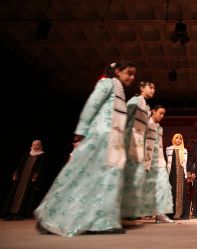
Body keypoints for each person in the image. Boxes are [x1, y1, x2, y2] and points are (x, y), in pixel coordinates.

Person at [34, 61, 136, 237]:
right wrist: (81, 130)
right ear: (118, 71)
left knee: (107, 180)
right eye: (129, 73)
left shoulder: (119, 89)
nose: (132, 77)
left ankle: (103, 221)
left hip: (113, 140)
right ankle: (49, 216)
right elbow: (93, 103)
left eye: (134, 74)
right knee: (83, 176)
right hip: (101, 136)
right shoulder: (107, 83)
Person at [121, 81, 155, 226]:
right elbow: (125, 119)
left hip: (140, 142)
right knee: (128, 175)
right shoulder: (135, 101)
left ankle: (129, 213)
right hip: (131, 139)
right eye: (151, 87)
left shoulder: (146, 106)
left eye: (154, 88)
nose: (153, 90)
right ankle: (123, 213)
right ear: (141, 88)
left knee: (136, 177)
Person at [141, 105, 174, 223]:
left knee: (164, 186)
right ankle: (147, 213)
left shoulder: (160, 128)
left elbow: (160, 146)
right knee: (149, 188)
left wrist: (163, 160)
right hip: (148, 161)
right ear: (153, 111)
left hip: (159, 161)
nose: (162, 116)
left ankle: (161, 213)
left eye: (164, 114)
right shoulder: (146, 124)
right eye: (160, 113)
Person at [2, 140, 47, 220]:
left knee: (26, 195)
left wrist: (35, 176)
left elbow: (41, 168)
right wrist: (15, 174)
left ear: (41, 146)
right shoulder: (26, 154)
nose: (35, 146)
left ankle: (20, 213)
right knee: (14, 193)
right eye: (34, 145)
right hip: (20, 178)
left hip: (30, 179)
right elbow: (19, 165)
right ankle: (10, 213)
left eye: (37, 145)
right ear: (31, 146)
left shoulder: (42, 155)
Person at [166, 133, 190, 220]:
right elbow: (167, 162)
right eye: (177, 138)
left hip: (181, 173)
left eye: (180, 139)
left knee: (182, 192)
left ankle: (182, 213)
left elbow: (186, 164)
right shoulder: (169, 149)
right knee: (172, 191)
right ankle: (171, 214)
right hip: (172, 173)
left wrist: (186, 174)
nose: (178, 140)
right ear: (173, 139)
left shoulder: (184, 150)